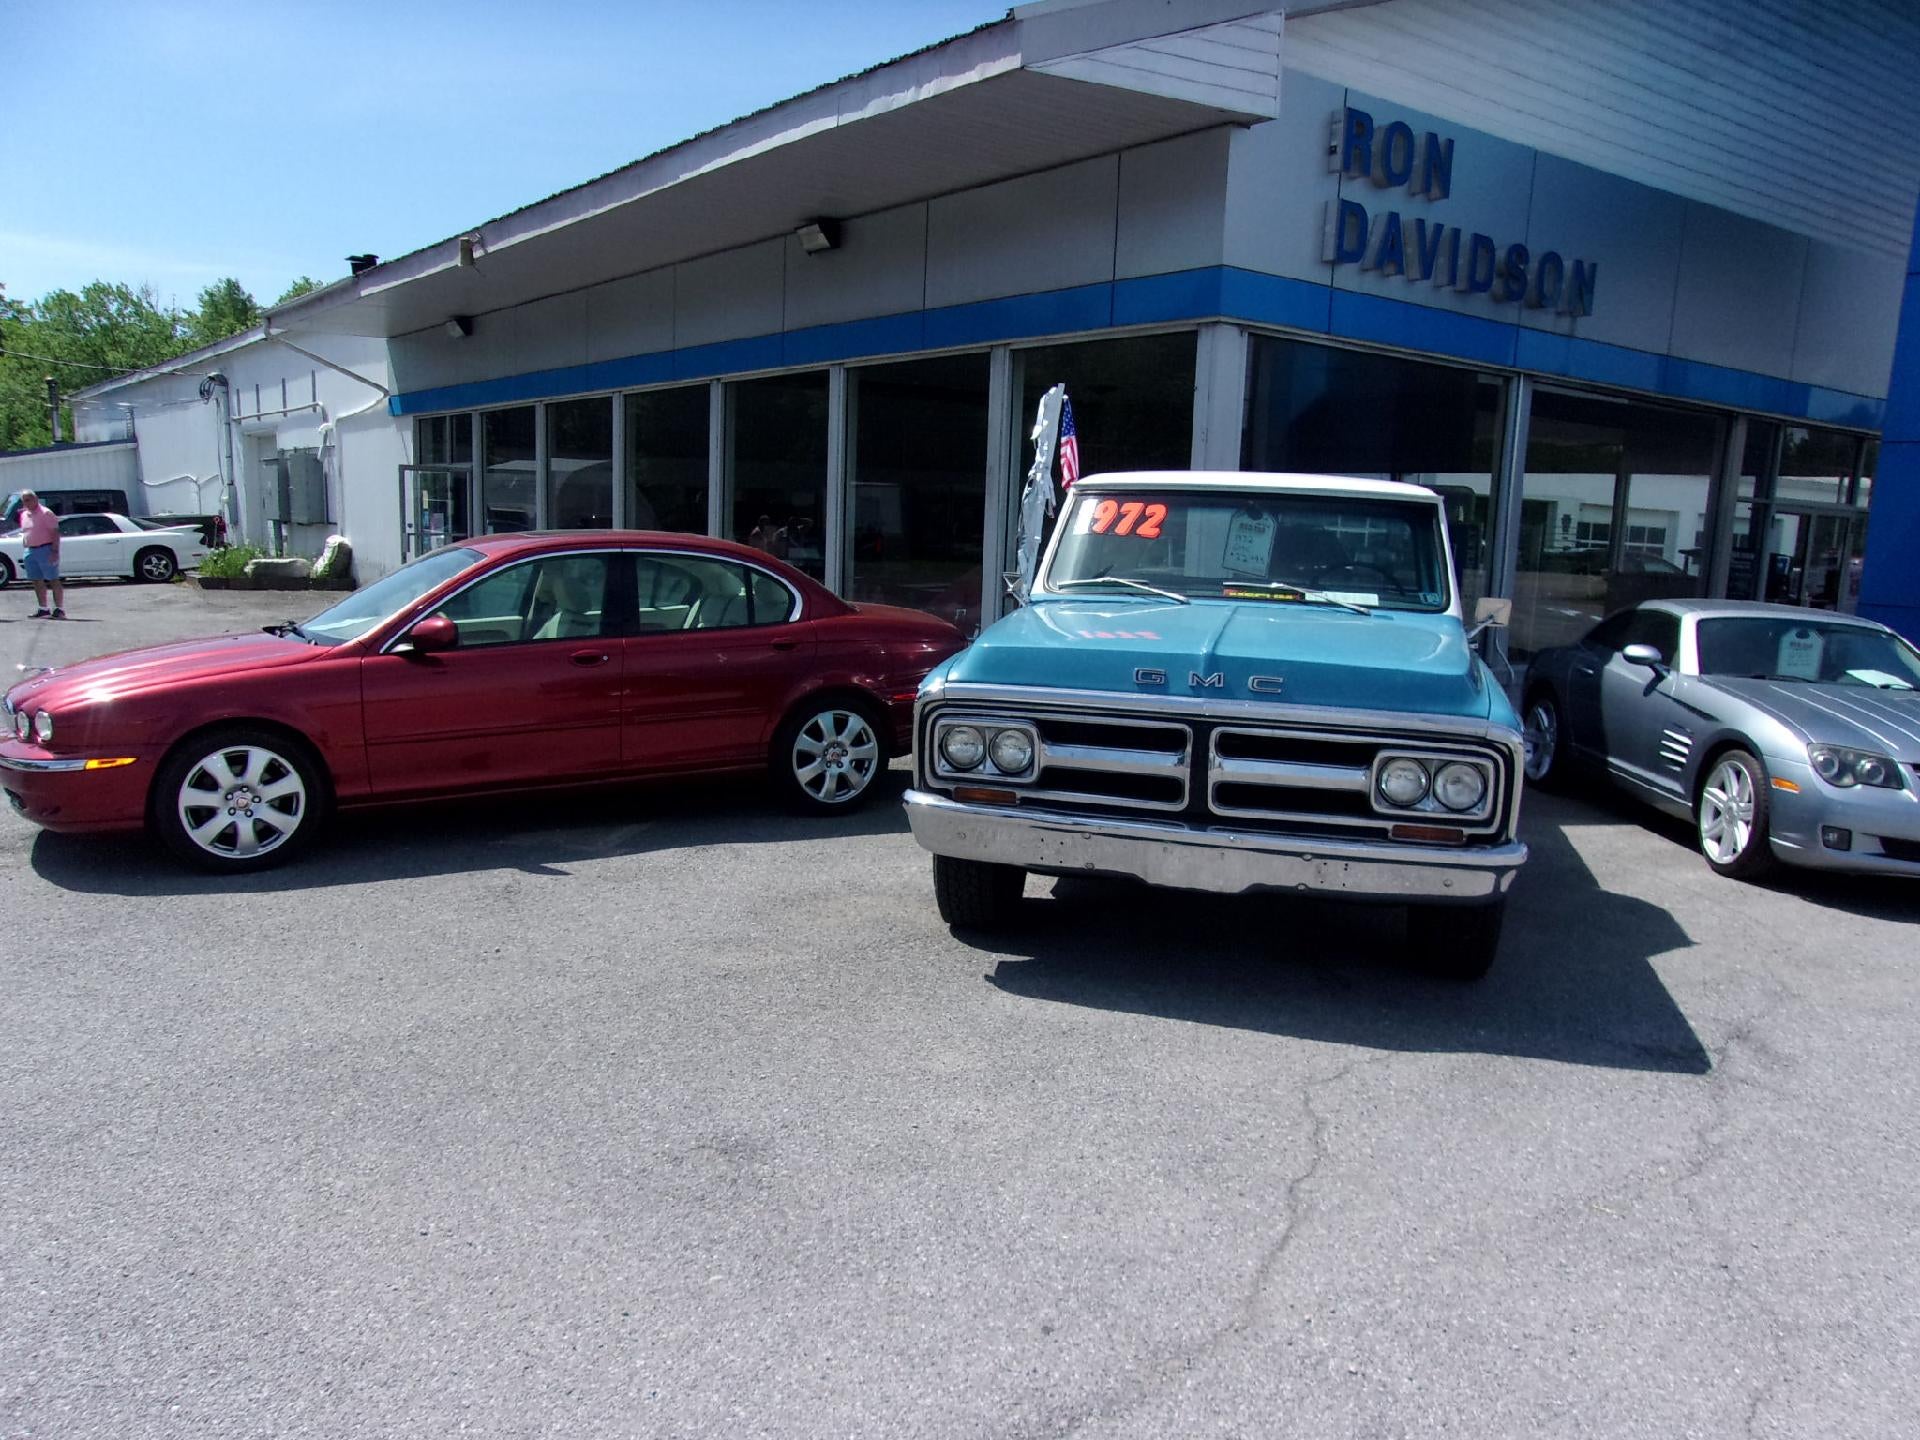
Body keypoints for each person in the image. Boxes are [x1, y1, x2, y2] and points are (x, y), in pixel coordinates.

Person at [14, 491, 65, 619]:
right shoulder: (24, 514)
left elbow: (55, 532)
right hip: (30, 551)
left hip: (46, 549)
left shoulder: (46, 513)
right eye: (24, 500)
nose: (26, 503)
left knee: (53, 579)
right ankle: (43, 608)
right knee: (36, 580)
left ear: (36, 499)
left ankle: (59, 609)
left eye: (28, 500)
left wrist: (54, 551)